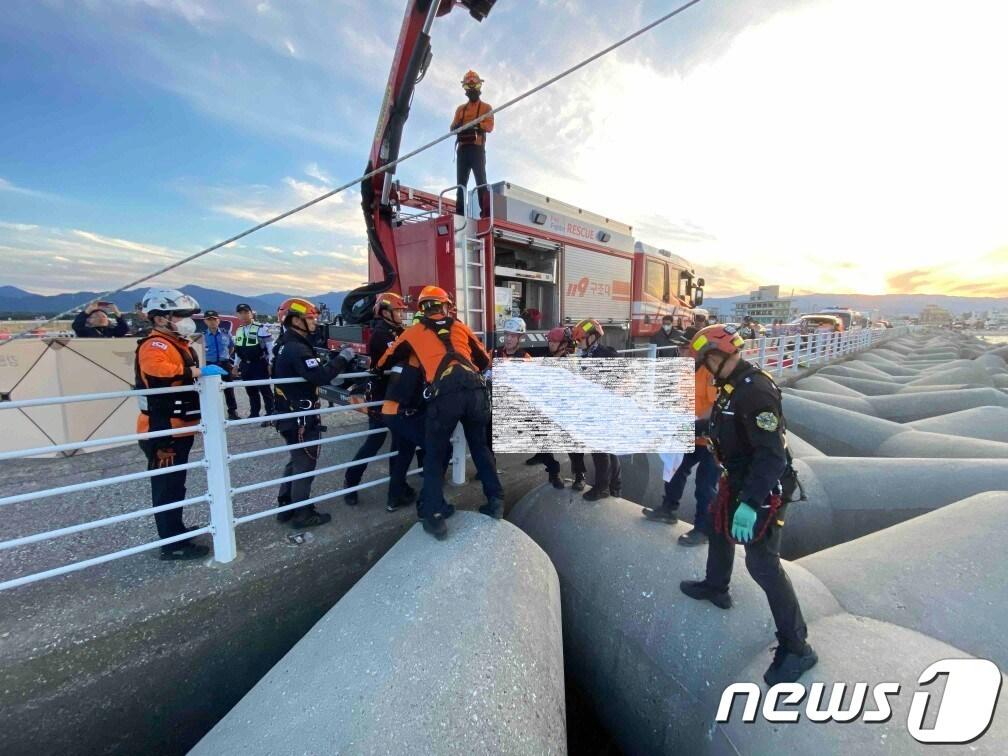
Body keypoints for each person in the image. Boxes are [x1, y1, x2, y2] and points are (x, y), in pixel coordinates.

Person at [679, 324, 817, 686]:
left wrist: (752, 504)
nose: (703, 368)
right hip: (737, 480)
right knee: (717, 527)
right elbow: (725, 428)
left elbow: (771, 457)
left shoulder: (755, 392)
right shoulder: (729, 388)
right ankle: (716, 585)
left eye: (705, 360)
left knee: (763, 565)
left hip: (764, 487)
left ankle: (797, 647)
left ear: (719, 355)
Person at [377, 285, 501, 540]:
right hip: (475, 391)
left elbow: (382, 362)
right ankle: (496, 501)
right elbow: (485, 361)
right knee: (480, 448)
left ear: (423, 309)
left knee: (434, 454)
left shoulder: (413, 332)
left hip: (445, 396)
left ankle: (434, 517)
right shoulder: (460, 326)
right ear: (446, 306)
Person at [135, 287, 221, 561]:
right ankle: (171, 545)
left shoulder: (177, 343)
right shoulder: (155, 344)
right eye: (180, 315)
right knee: (167, 486)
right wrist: (195, 371)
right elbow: (158, 371)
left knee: (176, 485)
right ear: (160, 318)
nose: (186, 320)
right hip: (162, 431)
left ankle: (177, 530)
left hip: (179, 427)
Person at [271, 298, 354, 529]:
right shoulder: (297, 348)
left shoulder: (284, 344)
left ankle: (285, 505)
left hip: (288, 414)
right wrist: (343, 358)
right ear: (295, 320)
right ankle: (302, 514)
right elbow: (319, 377)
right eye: (310, 318)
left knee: (295, 461)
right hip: (300, 417)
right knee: (305, 464)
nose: (315, 322)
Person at [641, 332, 720, 546]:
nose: (682, 351)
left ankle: (703, 530)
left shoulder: (710, 373)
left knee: (706, 485)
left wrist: (693, 425)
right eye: (681, 348)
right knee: (676, 470)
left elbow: (715, 408)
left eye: (687, 348)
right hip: (690, 434)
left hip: (711, 440)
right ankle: (668, 509)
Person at [342, 292, 415, 510]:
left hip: (399, 396)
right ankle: (350, 484)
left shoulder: (399, 331)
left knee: (400, 443)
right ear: (385, 312)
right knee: (374, 442)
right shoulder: (380, 335)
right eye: (398, 310)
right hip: (381, 397)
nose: (402, 314)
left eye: (403, 310)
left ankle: (398, 485)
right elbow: (401, 352)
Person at [525, 325, 587, 490]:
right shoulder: (547, 358)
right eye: (550, 341)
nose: (550, 344)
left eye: (554, 341)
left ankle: (579, 475)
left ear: (564, 344)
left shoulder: (570, 361)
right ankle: (553, 471)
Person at [571, 318, 622, 501]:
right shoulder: (586, 355)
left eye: (580, 340)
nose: (578, 343)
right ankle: (614, 487)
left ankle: (603, 488)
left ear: (592, 337)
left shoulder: (607, 355)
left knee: (601, 451)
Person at [452, 70, 494, 217]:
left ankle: (486, 213)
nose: (471, 90)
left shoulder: (486, 108)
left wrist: (475, 126)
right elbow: (452, 127)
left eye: (473, 86)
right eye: (468, 88)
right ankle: (459, 213)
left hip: (477, 149)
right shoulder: (460, 110)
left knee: (481, 181)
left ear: (479, 86)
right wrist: (458, 128)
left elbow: (489, 127)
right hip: (463, 150)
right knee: (460, 184)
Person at [234, 303, 274, 421]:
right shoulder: (239, 330)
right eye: (241, 313)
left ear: (251, 313)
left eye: (246, 312)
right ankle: (254, 413)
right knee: (251, 391)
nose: (244, 315)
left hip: (260, 364)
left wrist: (270, 363)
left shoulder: (262, 329)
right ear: (238, 315)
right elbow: (238, 350)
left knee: (265, 390)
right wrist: (236, 365)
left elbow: (270, 348)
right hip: (245, 365)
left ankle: (270, 413)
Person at [202, 310, 239, 421]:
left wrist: (226, 356)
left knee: (229, 389)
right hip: (209, 365)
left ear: (218, 320)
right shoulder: (202, 336)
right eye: (209, 320)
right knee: (210, 391)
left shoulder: (225, 333)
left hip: (224, 364)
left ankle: (232, 412)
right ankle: (212, 415)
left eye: (214, 319)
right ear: (205, 321)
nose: (212, 322)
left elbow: (231, 347)